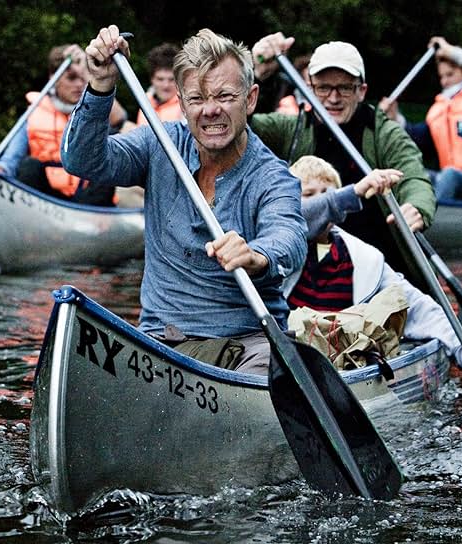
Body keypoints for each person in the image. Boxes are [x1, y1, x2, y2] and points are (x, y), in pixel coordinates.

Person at [61, 26, 307, 375]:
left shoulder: (272, 176)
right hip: (160, 342)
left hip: (247, 344)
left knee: (268, 371)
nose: (210, 110)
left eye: (224, 96)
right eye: (196, 99)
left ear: (250, 99)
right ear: (182, 102)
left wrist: (257, 255)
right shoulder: (160, 142)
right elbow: (82, 161)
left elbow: (290, 238)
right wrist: (100, 87)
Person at [249, 33, 436, 273]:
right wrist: (257, 74)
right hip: (308, 270)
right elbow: (239, 124)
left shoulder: (384, 133)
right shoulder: (288, 129)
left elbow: (412, 176)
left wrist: (417, 207)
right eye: (324, 88)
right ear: (310, 89)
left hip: (379, 267)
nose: (334, 98)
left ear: (361, 90)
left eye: (344, 88)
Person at [285, 155, 462, 375]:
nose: (323, 202)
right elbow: (301, 217)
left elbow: (417, 306)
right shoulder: (279, 247)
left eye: (328, 193)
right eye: (308, 195)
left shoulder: (363, 257)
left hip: (344, 360)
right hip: (294, 354)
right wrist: (349, 194)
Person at [0, 44, 130, 206]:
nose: (79, 85)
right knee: (29, 165)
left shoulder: (95, 108)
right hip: (46, 200)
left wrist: (89, 74)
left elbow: (120, 119)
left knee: (111, 136)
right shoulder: (35, 112)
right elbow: (11, 159)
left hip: (89, 198)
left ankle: (95, 222)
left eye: (82, 79)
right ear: (53, 78)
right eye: (71, 78)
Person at [380, 37, 462, 203]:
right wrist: (395, 118)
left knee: (450, 175)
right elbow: (419, 139)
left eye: (450, 74)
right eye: (441, 76)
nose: (444, 81)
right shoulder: (440, 109)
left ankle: (431, 218)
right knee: (410, 173)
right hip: (451, 185)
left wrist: (449, 50)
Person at [135, 42, 184, 125]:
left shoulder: (186, 106)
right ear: (152, 79)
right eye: (160, 79)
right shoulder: (144, 101)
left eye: (171, 80)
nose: (166, 85)